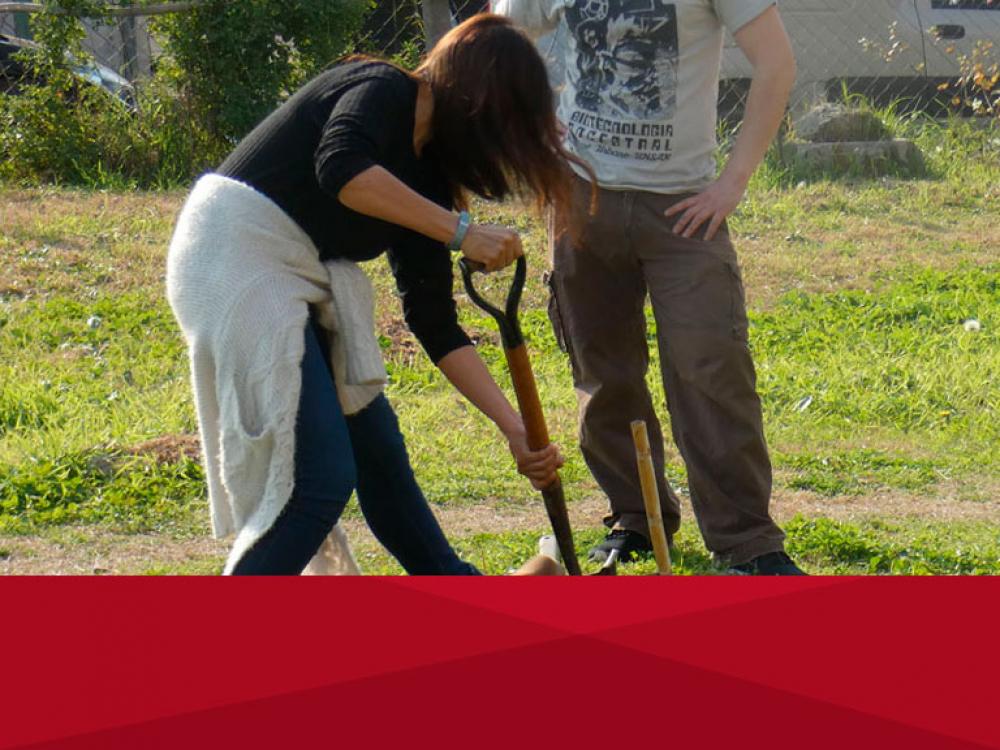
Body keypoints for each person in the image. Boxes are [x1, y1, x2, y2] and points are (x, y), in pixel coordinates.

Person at [166, 15, 589, 575]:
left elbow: (434, 321)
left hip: (298, 276)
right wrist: (461, 232)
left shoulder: (427, 178)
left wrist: (515, 430)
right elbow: (341, 166)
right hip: (234, 254)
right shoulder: (381, 88)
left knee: (379, 454)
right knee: (319, 479)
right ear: (481, 103)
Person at [493, 0, 806, 575]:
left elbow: (777, 63)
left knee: (710, 368)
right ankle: (636, 517)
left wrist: (732, 184)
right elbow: (498, 31)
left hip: (685, 208)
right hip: (581, 198)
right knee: (603, 371)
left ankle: (747, 542)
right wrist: (528, 113)